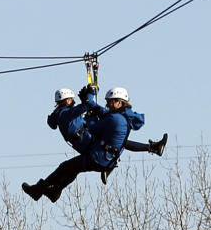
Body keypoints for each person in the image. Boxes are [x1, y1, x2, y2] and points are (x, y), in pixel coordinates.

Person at [23, 87, 160, 203]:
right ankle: (51, 190)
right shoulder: (120, 117)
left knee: (67, 168)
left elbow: (91, 123)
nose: (108, 105)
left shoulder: (61, 114)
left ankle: (42, 190)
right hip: (97, 151)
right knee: (70, 169)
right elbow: (95, 111)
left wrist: (90, 105)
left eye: (111, 102)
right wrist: (90, 100)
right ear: (68, 100)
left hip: (95, 152)